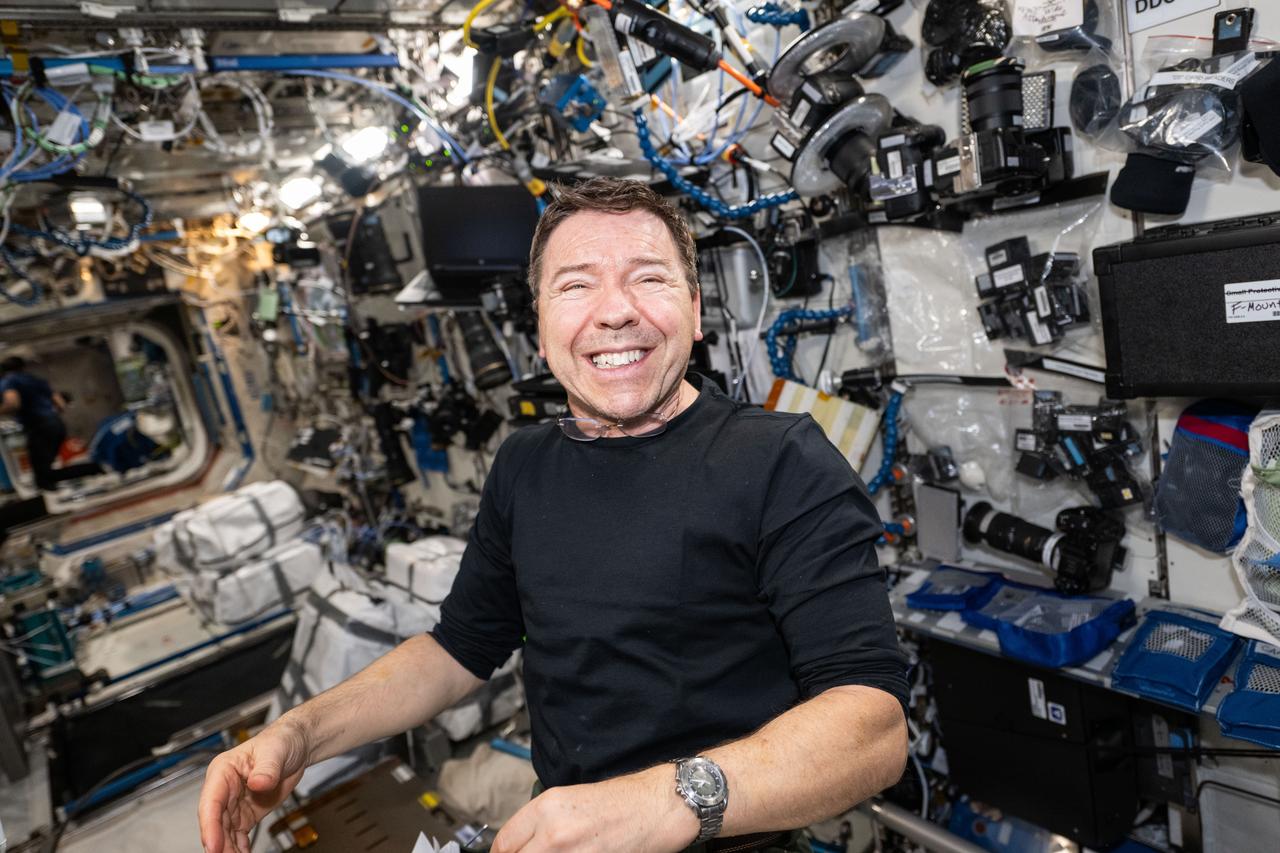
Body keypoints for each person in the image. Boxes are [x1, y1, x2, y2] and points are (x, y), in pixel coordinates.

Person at [198, 178, 908, 853]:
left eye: (649, 278)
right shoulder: (524, 464)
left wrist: (662, 803)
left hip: (729, 833)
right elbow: (456, 650)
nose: (615, 310)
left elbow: (873, 728)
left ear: (695, 312)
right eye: (576, 285)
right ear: (540, 330)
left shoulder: (780, 459)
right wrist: (299, 732)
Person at [0, 355, 68, 492]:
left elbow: (13, 403)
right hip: (56, 425)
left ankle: (48, 502)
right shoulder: (36, 380)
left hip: (37, 425)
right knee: (46, 467)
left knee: (41, 472)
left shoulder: (9, 381)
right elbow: (61, 404)